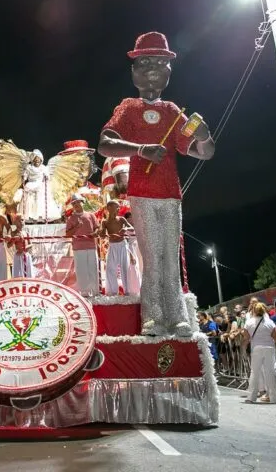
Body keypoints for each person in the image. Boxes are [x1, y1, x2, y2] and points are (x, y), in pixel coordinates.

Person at [98, 32, 216, 336]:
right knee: (152, 256)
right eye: (145, 61)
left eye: (160, 62)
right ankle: (153, 317)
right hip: (142, 193)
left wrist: (203, 135)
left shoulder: (173, 111)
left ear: (168, 71)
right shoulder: (128, 108)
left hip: (170, 194)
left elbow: (203, 153)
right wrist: (140, 149)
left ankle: (177, 317)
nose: (153, 67)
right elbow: (105, 144)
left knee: (169, 256)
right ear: (134, 70)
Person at [243, 302, 276, 404]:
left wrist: (244, 348)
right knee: (270, 372)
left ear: (253, 311)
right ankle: (274, 398)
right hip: (270, 348)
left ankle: (251, 397)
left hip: (256, 348)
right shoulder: (270, 322)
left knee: (254, 372)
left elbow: (246, 338)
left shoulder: (249, 322)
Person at [101, 200, 140, 295]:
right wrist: (100, 232)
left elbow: (132, 228)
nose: (118, 209)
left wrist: (125, 229)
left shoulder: (122, 219)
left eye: (119, 207)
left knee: (125, 268)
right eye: (116, 207)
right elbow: (102, 235)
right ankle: (112, 292)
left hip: (122, 245)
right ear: (109, 208)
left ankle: (128, 291)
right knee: (110, 269)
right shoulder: (105, 222)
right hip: (112, 246)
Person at [65, 194, 99, 296]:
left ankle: (95, 292)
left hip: (91, 246)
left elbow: (97, 227)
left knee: (93, 269)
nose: (75, 204)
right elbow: (68, 234)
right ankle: (84, 293)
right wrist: (76, 226)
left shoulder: (91, 215)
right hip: (78, 248)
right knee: (81, 271)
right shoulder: (71, 218)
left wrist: (95, 233)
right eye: (73, 203)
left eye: (77, 202)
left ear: (82, 202)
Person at [10, 214, 34, 279]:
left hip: (26, 255)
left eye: (23, 220)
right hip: (18, 256)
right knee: (18, 276)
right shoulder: (13, 232)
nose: (22, 222)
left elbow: (31, 244)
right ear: (15, 222)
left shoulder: (26, 232)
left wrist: (25, 248)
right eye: (19, 220)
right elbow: (9, 245)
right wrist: (14, 239)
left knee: (29, 275)